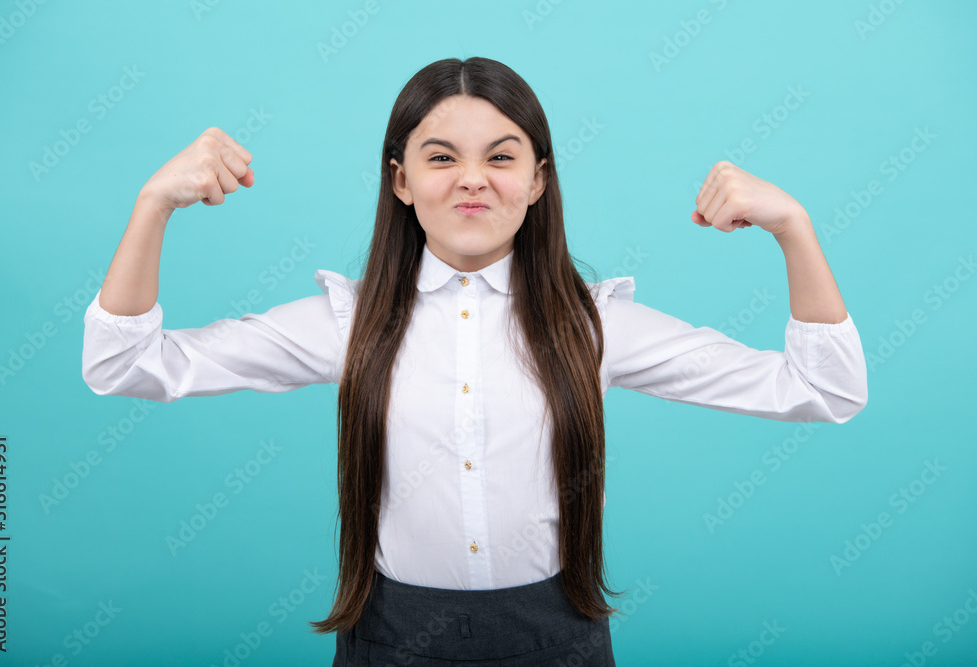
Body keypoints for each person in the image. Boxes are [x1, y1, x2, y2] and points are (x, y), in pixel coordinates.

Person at [82, 57, 868, 666]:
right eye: (440, 156)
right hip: (389, 641)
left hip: (557, 642)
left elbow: (822, 388)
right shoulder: (348, 325)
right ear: (400, 181)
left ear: (537, 181)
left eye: (500, 156)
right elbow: (126, 364)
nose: (470, 179)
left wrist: (792, 225)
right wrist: (152, 203)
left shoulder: (596, 325)